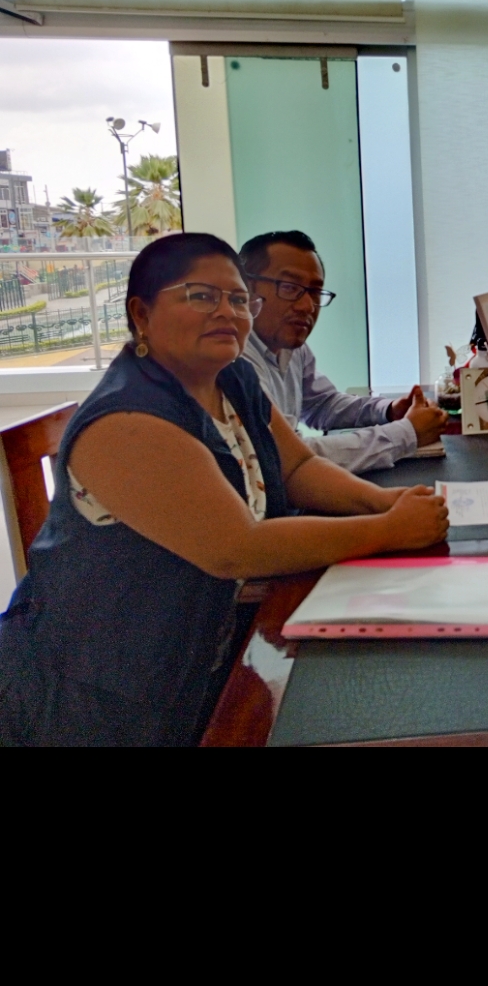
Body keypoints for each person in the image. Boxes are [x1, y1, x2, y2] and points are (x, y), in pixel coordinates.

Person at [0, 232, 448, 748]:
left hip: (202, 654)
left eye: (237, 299)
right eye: (201, 296)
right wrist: (387, 530)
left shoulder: (232, 379)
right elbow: (237, 549)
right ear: (141, 314)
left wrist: (384, 500)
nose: (226, 312)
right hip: (102, 695)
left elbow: (298, 467)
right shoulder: (126, 422)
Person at [239, 229, 447, 473]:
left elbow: (322, 404)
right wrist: (407, 433)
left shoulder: (292, 347)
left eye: (314, 292)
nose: (307, 306)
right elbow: (288, 458)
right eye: (289, 287)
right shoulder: (235, 362)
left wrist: (389, 411)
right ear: (245, 289)